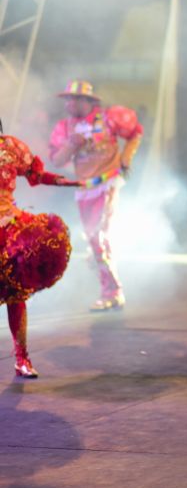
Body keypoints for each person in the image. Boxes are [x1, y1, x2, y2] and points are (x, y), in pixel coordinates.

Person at [48, 80, 142, 312]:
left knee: (98, 236)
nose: (69, 103)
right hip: (84, 188)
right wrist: (71, 145)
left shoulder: (109, 118)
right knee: (93, 241)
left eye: (74, 99)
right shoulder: (64, 127)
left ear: (87, 101)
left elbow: (135, 132)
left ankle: (113, 292)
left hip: (107, 183)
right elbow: (57, 160)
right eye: (67, 99)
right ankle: (109, 288)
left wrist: (126, 158)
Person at [1, 130, 80, 377]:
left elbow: (35, 174)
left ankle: (22, 358)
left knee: (16, 293)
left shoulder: (10, 147)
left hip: (7, 227)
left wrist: (61, 181)